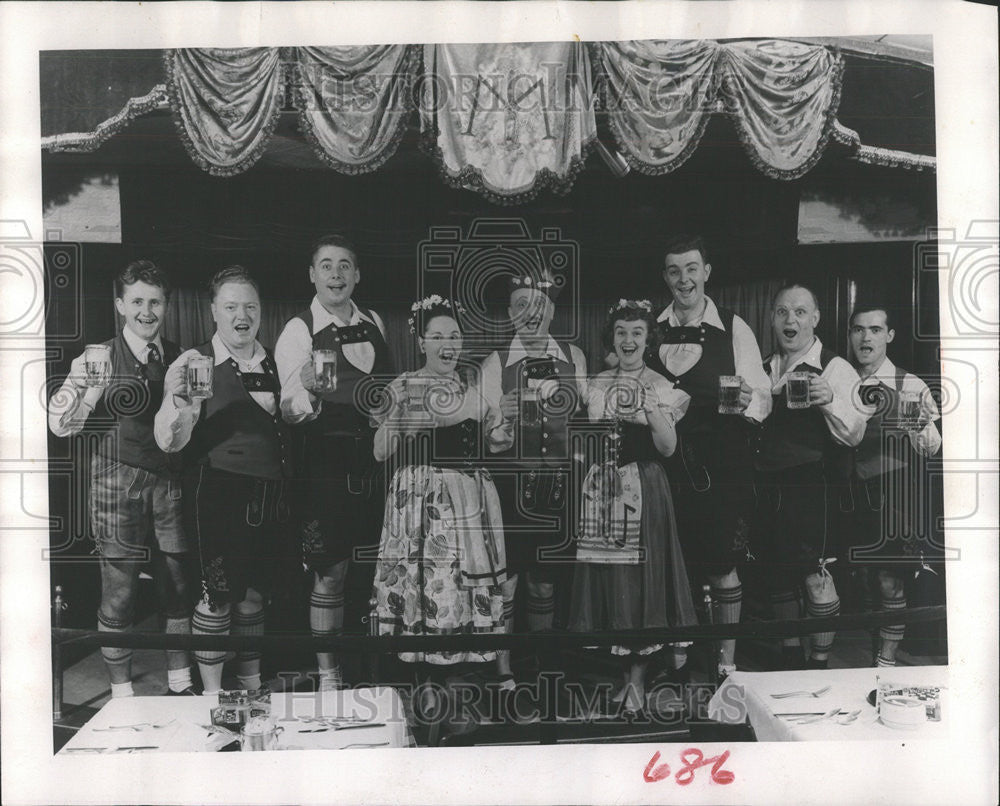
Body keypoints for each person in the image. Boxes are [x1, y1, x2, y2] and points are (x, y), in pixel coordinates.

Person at [47, 260, 196, 697]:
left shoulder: (181, 358)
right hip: (115, 482)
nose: (146, 311)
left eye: (154, 301)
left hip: (169, 483)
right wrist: (90, 392)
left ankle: (181, 683)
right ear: (120, 305)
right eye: (137, 301)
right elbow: (59, 424)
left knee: (177, 585)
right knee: (120, 590)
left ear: (166, 305)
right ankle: (121, 694)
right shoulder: (97, 356)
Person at [154, 266, 292, 694]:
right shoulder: (192, 363)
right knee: (216, 596)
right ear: (213, 310)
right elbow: (168, 440)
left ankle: (250, 687)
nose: (241, 315)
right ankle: (212, 695)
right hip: (216, 493)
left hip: (269, 494)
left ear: (261, 312)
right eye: (231, 306)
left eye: (249, 306)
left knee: (253, 595)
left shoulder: (275, 361)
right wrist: (179, 401)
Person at [646, 235, 771, 680]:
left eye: (692, 269)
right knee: (671, 565)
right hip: (664, 467)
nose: (684, 279)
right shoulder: (649, 327)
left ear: (707, 272)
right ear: (665, 277)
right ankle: (677, 664)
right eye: (674, 270)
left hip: (723, 465)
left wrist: (742, 404)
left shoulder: (735, 328)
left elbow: (762, 397)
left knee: (722, 565)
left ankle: (726, 668)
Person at [274, 234, 392, 691]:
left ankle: (371, 670)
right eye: (327, 266)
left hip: (376, 461)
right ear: (312, 274)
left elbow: (385, 387)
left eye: (345, 265)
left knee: (375, 568)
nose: (337, 274)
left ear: (357, 274)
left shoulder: (375, 320)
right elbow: (287, 406)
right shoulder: (299, 329)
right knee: (331, 573)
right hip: (325, 463)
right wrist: (307, 390)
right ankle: (329, 676)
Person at [569, 300, 697, 715]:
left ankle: (638, 680)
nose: (628, 340)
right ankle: (621, 677)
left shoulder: (662, 384)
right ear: (613, 339)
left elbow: (668, 447)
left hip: (644, 483)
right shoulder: (596, 381)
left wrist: (645, 403)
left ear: (648, 339)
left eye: (636, 333)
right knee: (611, 579)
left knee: (643, 580)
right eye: (621, 332)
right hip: (602, 487)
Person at [372, 296, 508, 676]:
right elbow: (380, 452)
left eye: (453, 335)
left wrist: (505, 425)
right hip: (422, 499)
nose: (446, 343)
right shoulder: (405, 385)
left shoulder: (473, 385)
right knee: (432, 585)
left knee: (461, 589)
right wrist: (397, 419)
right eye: (436, 336)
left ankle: (456, 689)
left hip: (469, 496)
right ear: (421, 343)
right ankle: (427, 685)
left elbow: (498, 440)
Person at [479, 269, 589, 692]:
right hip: (510, 483)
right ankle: (504, 670)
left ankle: (543, 664)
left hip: (558, 483)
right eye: (521, 305)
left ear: (552, 311)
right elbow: (487, 444)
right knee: (507, 581)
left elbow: (585, 422)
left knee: (544, 578)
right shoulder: (494, 364)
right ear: (509, 313)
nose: (530, 314)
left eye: (538, 305)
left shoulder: (574, 357)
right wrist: (500, 418)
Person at [752, 283, 868, 670]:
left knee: (816, 579)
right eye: (783, 311)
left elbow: (854, 433)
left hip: (813, 488)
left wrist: (829, 401)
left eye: (800, 312)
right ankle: (789, 657)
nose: (791, 320)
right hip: (768, 486)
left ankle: (818, 663)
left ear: (815, 319)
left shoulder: (834, 367)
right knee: (776, 575)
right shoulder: (764, 366)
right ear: (772, 318)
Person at [846, 305, 942, 667]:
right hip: (847, 494)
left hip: (894, 496)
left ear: (889, 336)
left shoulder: (910, 384)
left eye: (874, 329)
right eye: (858, 330)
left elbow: (933, 447)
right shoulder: (842, 378)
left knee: (891, 581)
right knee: (862, 582)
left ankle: (884, 663)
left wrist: (917, 424)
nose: (865, 337)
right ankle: (869, 655)